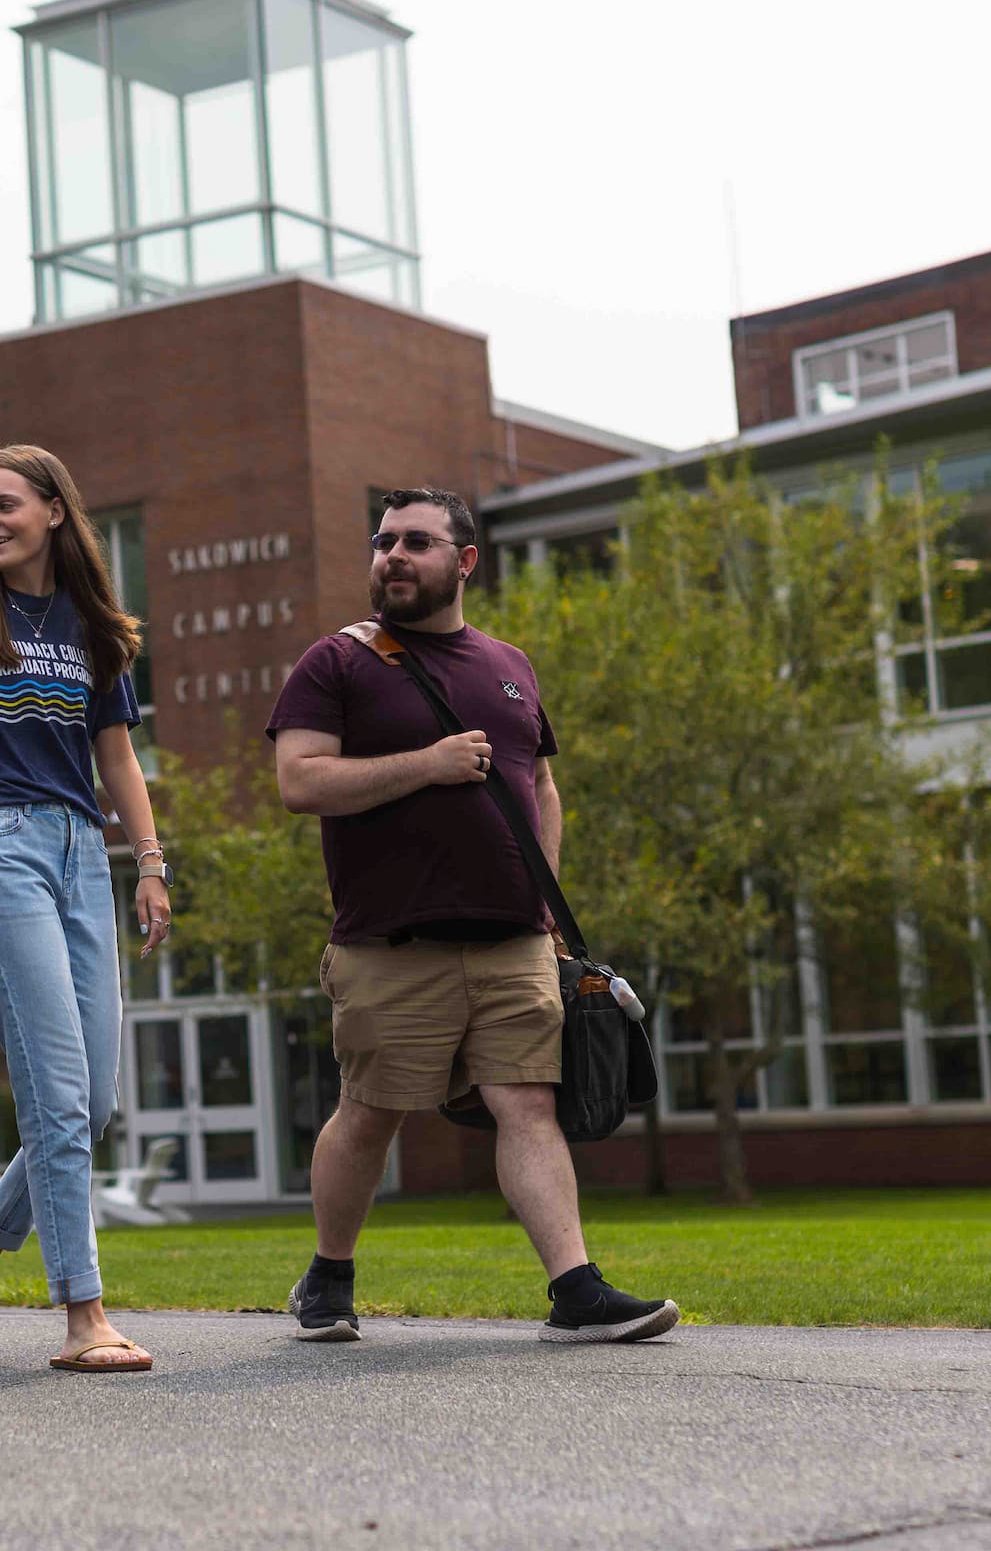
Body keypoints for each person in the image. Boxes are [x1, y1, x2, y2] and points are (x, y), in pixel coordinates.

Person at [265, 487, 678, 1347]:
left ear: (465, 560)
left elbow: (542, 784)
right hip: (391, 943)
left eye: (416, 542)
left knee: (527, 1106)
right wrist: (429, 764)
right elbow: (300, 781)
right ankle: (329, 1277)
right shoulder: (337, 662)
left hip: (514, 943)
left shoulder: (511, 664)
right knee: (370, 1112)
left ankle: (576, 1291)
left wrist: (547, 905)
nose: (393, 557)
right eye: (383, 542)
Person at [0, 444, 171, 1373]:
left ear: (56, 510)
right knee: (57, 1096)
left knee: (93, 1102)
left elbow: (119, 758)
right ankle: (83, 1315)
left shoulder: (90, 622)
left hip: (79, 851)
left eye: (4, 505)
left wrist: (149, 862)